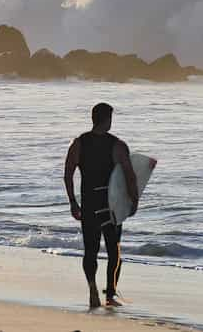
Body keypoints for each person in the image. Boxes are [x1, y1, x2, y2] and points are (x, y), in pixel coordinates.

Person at [63, 102, 138, 308]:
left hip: (89, 204)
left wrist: (73, 202)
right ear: (107, 120)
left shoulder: (78, 143)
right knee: (114, 251)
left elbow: (68, 174)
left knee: (91, 250)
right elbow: (130, 176)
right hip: (111, 207)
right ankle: (110, 295)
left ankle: (92, 288)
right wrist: (134, 200)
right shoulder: (118, 145)